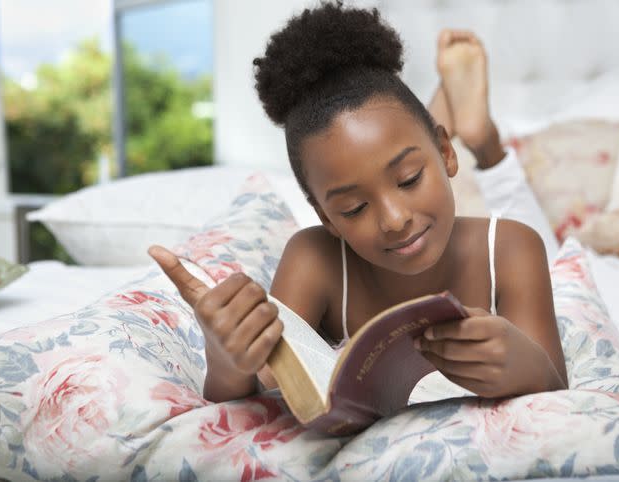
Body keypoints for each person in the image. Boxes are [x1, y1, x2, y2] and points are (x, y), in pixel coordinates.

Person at [148, 2, 567, 404]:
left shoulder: (511, 247)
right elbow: (262, 390)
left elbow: (559, 393)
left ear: (446, 152)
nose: (395, 219)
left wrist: (525, 364)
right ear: (324, 216)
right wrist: (226, 362)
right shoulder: (315, 259)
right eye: (353, 208)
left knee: (565, 260)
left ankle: (481, 137)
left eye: (409, 179)